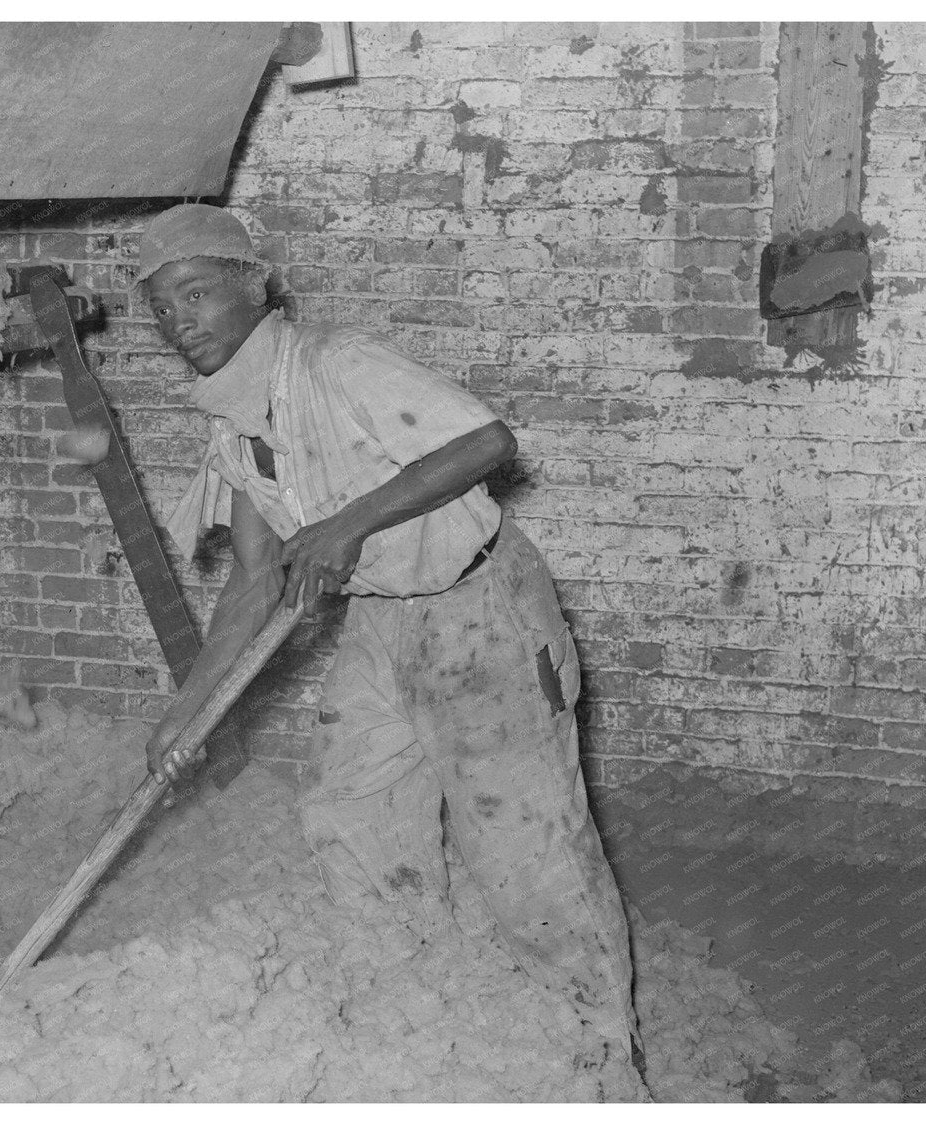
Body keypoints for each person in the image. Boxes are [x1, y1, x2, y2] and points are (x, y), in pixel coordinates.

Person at [137, 203, 645, 1092]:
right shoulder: (237, 418)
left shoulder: (337, 363)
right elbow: (253, 581)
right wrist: (186, 715)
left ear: (253, 285)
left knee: (526, 852)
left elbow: (487, 439)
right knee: (352, 810)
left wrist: (350, 521)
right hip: (383, 623)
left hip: (478, 613)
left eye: (196, 292)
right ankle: (416, 1000)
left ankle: (599, 1064)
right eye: (163, 307)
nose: (179, 320)